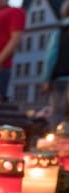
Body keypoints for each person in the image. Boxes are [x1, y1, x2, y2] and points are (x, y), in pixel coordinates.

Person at [41, 0, 69, 130]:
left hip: (61, 78)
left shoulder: (61, 31)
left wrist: (46, 79)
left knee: (57, 112)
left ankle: (57, 143)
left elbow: (51, 56)